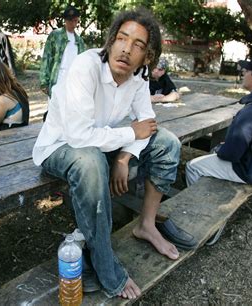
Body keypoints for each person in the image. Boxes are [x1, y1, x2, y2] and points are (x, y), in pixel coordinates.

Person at [33, 9, 190, 299]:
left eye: (139, 45)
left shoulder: (139, 77)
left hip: (101, 143)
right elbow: (79, 136)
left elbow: (147, 123)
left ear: (147, 57)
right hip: (59, 145)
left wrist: (124, 156)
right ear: (111, 40)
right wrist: (129, 136)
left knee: (167, 143)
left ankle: (146, 225)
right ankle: (105, 263)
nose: (127, 49)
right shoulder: (86, 66)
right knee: (91, 162)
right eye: (121, 38)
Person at [185, 55, 252, 188]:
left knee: (192, 166)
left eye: (247, 71)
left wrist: (220, 149)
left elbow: (231, 154)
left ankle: (200, 204)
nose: (243, 73)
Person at [39, 6, 86, 103]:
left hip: (74, 81)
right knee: (54, 110)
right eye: (70, 20)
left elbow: (83, 64)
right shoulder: (55, 35)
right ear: (65, 20)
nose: (73, 23)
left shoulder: (80, 41)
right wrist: (44, 81)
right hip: (57, 78)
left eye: (75, 21)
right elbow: (46, 58)